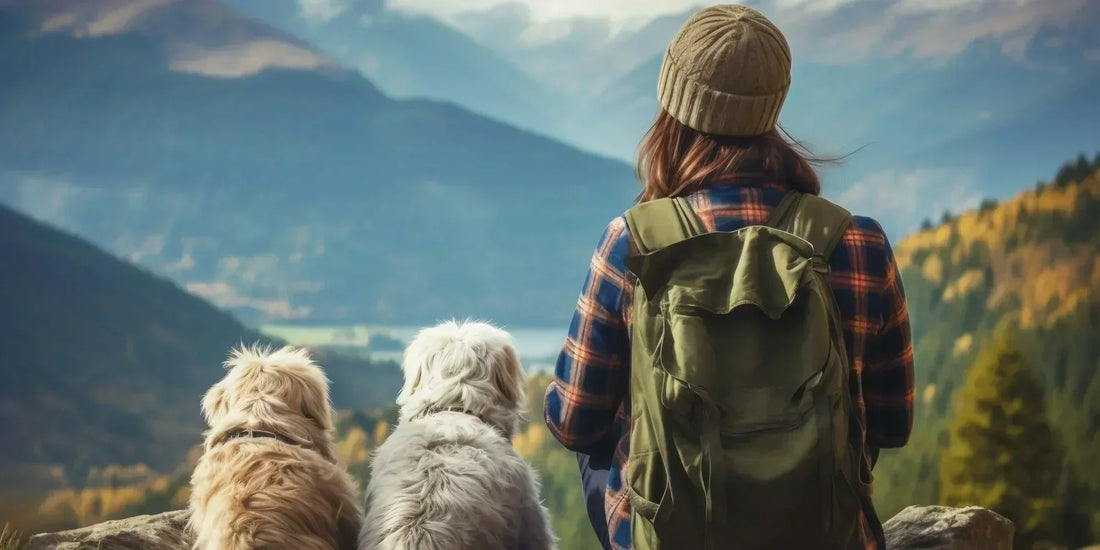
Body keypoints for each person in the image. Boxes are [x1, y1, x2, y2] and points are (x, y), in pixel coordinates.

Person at [543, 5, 914, 550]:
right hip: (824, 535)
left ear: (673, 105)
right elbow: (891, 423)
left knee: (599, 441)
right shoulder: (858, 242)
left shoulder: (632, 245)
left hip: (672, 536)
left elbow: (573, 421)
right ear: (773, 106)